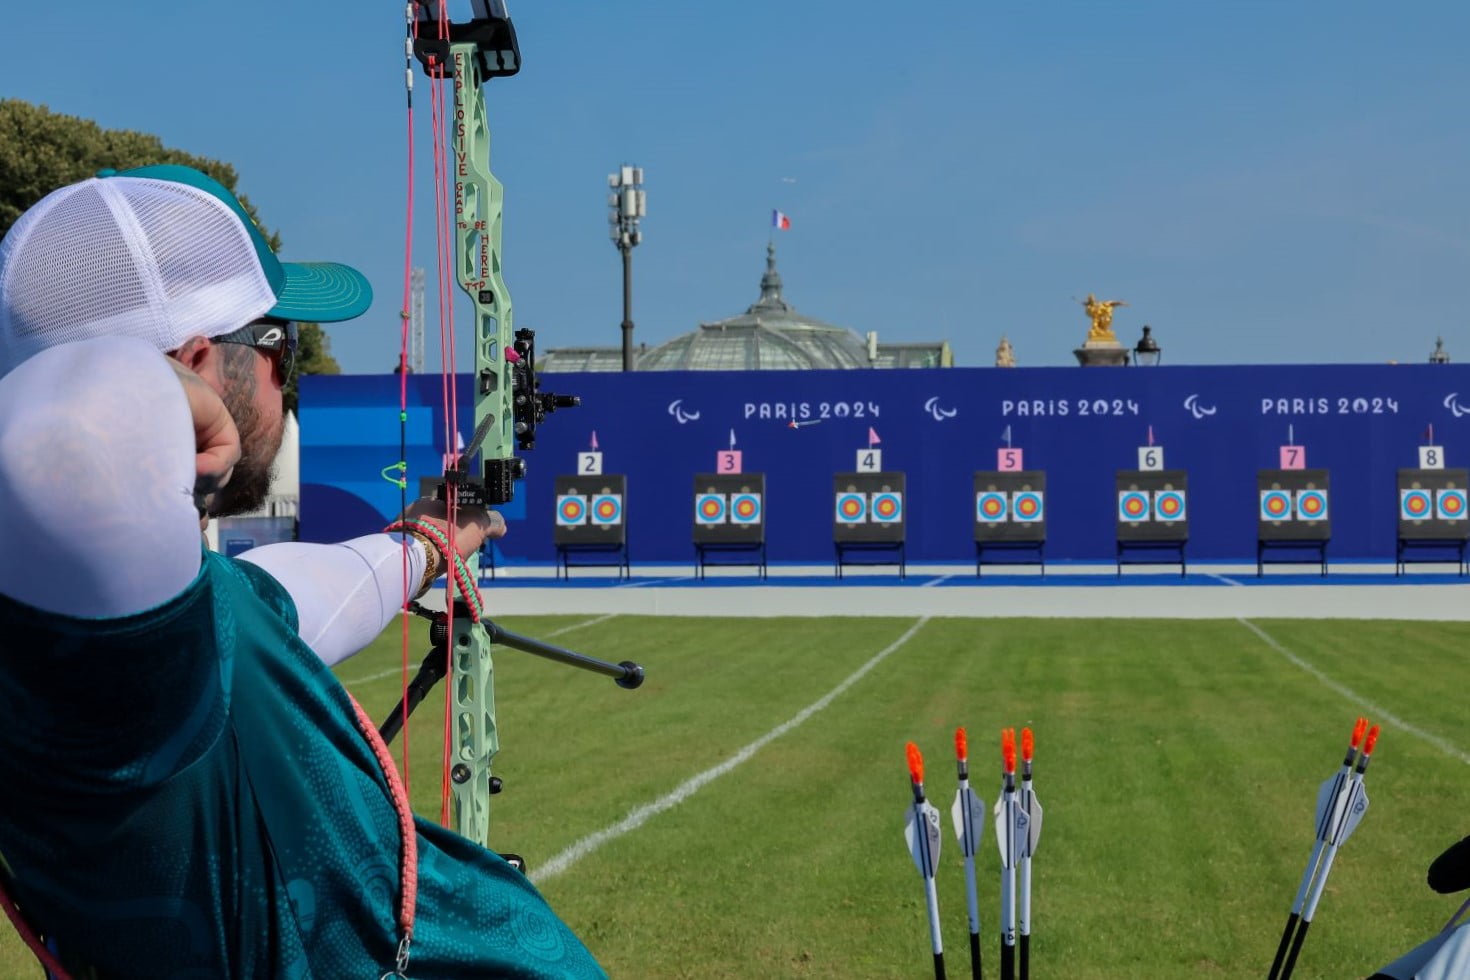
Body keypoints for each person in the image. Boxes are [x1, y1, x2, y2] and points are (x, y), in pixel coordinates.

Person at [0, 165, 606, 978]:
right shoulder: (119, 672)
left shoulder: (142, 632)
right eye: (278, 343)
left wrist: (425, 543)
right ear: (195, 362)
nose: (291, 378)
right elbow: (69, 446)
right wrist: (167, 388)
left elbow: (286, 605)